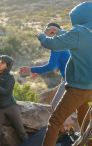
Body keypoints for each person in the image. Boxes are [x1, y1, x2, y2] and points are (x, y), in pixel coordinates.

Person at [36, 2, 92, 146]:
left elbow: (52, 44)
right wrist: (59, 31)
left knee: (55, 121)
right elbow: (76, 37)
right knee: (84, 116)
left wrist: (42, 36)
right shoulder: (85, 31)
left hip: (79, 88)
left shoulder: (79, 32)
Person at [20, 23, 70, 111]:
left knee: (56, 106)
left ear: (53, 32)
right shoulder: (68, 41)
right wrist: (38, 72)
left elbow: (51, 66)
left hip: (71, 80)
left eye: (47, 32)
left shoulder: (57, 44)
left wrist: (31, 69)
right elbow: (60, 63)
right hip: (82, 77)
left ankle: (66, 123)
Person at [0, 55, 28, 146]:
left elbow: (6, 92)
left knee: (22, 133)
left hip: (11, 107)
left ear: (7, 66)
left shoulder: (10, 77)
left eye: (2, 63)